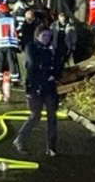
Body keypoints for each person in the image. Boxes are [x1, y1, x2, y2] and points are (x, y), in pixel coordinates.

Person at [13, 25, 60, 157]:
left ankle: (51, 147)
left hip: (49, 86)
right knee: (35, 115)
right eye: (44, 36)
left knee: (52, 116)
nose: (46, 39)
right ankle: (20, 140)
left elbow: (58, 64)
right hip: (35, 86)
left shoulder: (51, 48)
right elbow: (32, 65)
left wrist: (54, 74)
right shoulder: (31, 47)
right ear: (37, 36)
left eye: (48, 36)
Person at [0, 4, 20, 86]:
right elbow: (18, 30)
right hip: (11, 45)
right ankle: (14, 79)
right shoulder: (13, 20)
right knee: (12, 61)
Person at [16, 8, 39, 84]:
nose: (29, 17)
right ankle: (26, 78)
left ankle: (30, 78)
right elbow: (20, 35)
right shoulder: (23, 25)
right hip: (26, 45)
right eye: (28, 16)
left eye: (31, 15)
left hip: (33, 45)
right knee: (27, 63)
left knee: (32, 62)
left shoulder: (36, 25)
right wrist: (20, 44)